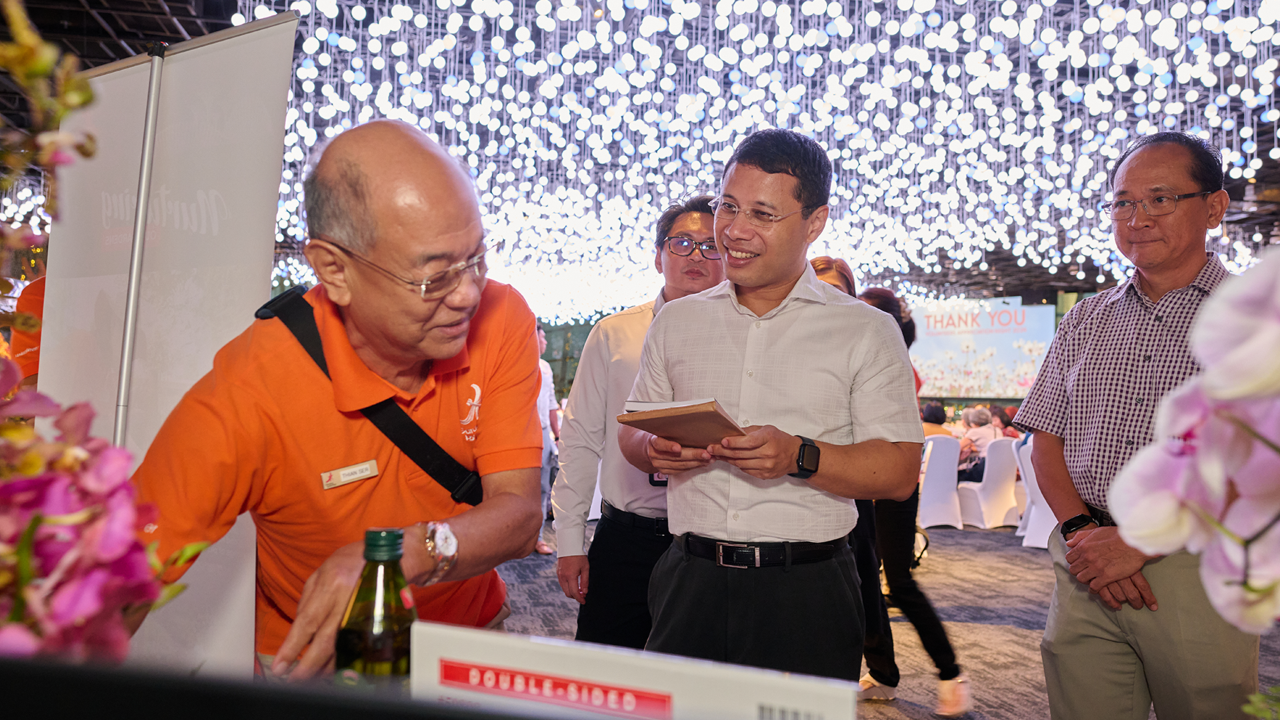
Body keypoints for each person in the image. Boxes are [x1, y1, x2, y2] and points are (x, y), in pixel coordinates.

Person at [131, 121, 545, 681]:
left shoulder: (502, 317)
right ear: (334, 269)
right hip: (320, 661)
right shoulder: (251, 391)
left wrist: (399, 557)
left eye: (476, 258)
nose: (469, 293)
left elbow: (519, 515)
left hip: (465, 639)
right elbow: (119, 580)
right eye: (435, 277)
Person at [619, 128, 923, 681]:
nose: (733, 232)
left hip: (805, 589)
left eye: (762, 214)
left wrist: (798, 457)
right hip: (689, 578)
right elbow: (633, 434)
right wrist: (656, 448)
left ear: (815, 222)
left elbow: (899, 471)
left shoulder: (864, 330)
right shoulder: (678, 321)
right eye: (727, 207)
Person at [1016, 131, 1259, 720]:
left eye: (1160, 199)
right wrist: (1082, 533)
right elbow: (1044, 436)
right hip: (1085, 560)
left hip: (1194, 563)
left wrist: (1139, 542)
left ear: (1214, 207)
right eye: (1123, 202)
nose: (1138, 217)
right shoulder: (1088, 318)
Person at [552, 195, 725, 649]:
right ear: (658, 255)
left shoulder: (747, 341)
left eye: (711, 247)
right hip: (627, 538)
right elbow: (581, 438)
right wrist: (570, 539)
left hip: (712, 546)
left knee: (697, 684)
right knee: (607, 679)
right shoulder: (617, 334)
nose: (695, 256)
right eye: (682, 242)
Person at [855, 287, 972, 717]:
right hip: (854, 478)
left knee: (897, 580)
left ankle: (950, 672)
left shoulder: (892, 361)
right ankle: (883, 674)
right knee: (863, 578)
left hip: (891, 478)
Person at [534, 320, 560, 555]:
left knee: (543, 489)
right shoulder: (514, 364)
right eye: (542, 337)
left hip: (543, 434)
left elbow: (551, 403)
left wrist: (557, 434)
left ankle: (538, 538)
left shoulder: (545, 367)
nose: (545, 341)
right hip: (519, 434)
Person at [956, 406, 1000, 483]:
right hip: (997, 468)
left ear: (975, 422)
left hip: (983, 469)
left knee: (955, 473)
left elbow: (957, 447)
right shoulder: (997, 430)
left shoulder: (975, 431)